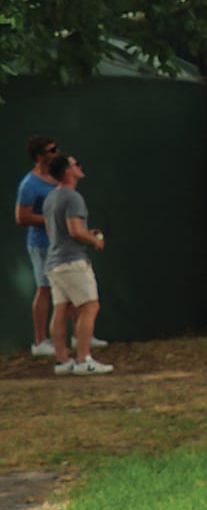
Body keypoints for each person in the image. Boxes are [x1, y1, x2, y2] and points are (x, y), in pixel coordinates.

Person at [42, 153, 111, 375]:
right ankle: (83, 360)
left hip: (54, 262)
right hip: (72, 261)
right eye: (75, 165)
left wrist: (86, 233)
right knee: (89, 307)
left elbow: (55, 231)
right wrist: (94, 240)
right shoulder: (73, 198)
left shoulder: (51, 198)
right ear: (67, 172)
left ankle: (62, 361)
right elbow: (74, 231)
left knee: (60, 310)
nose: (80, 167)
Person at [16, 134, 61, 356]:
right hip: (42, 245)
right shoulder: (29, 184)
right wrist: (52, 219)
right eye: (52, 151)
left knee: (69, 287)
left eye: (56, 148)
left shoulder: (58, 176)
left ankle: (79, 336)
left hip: (62, 242)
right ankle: (40, 342)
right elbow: (22, 217)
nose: (57, 153)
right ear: (40, 157)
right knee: (44, 289)